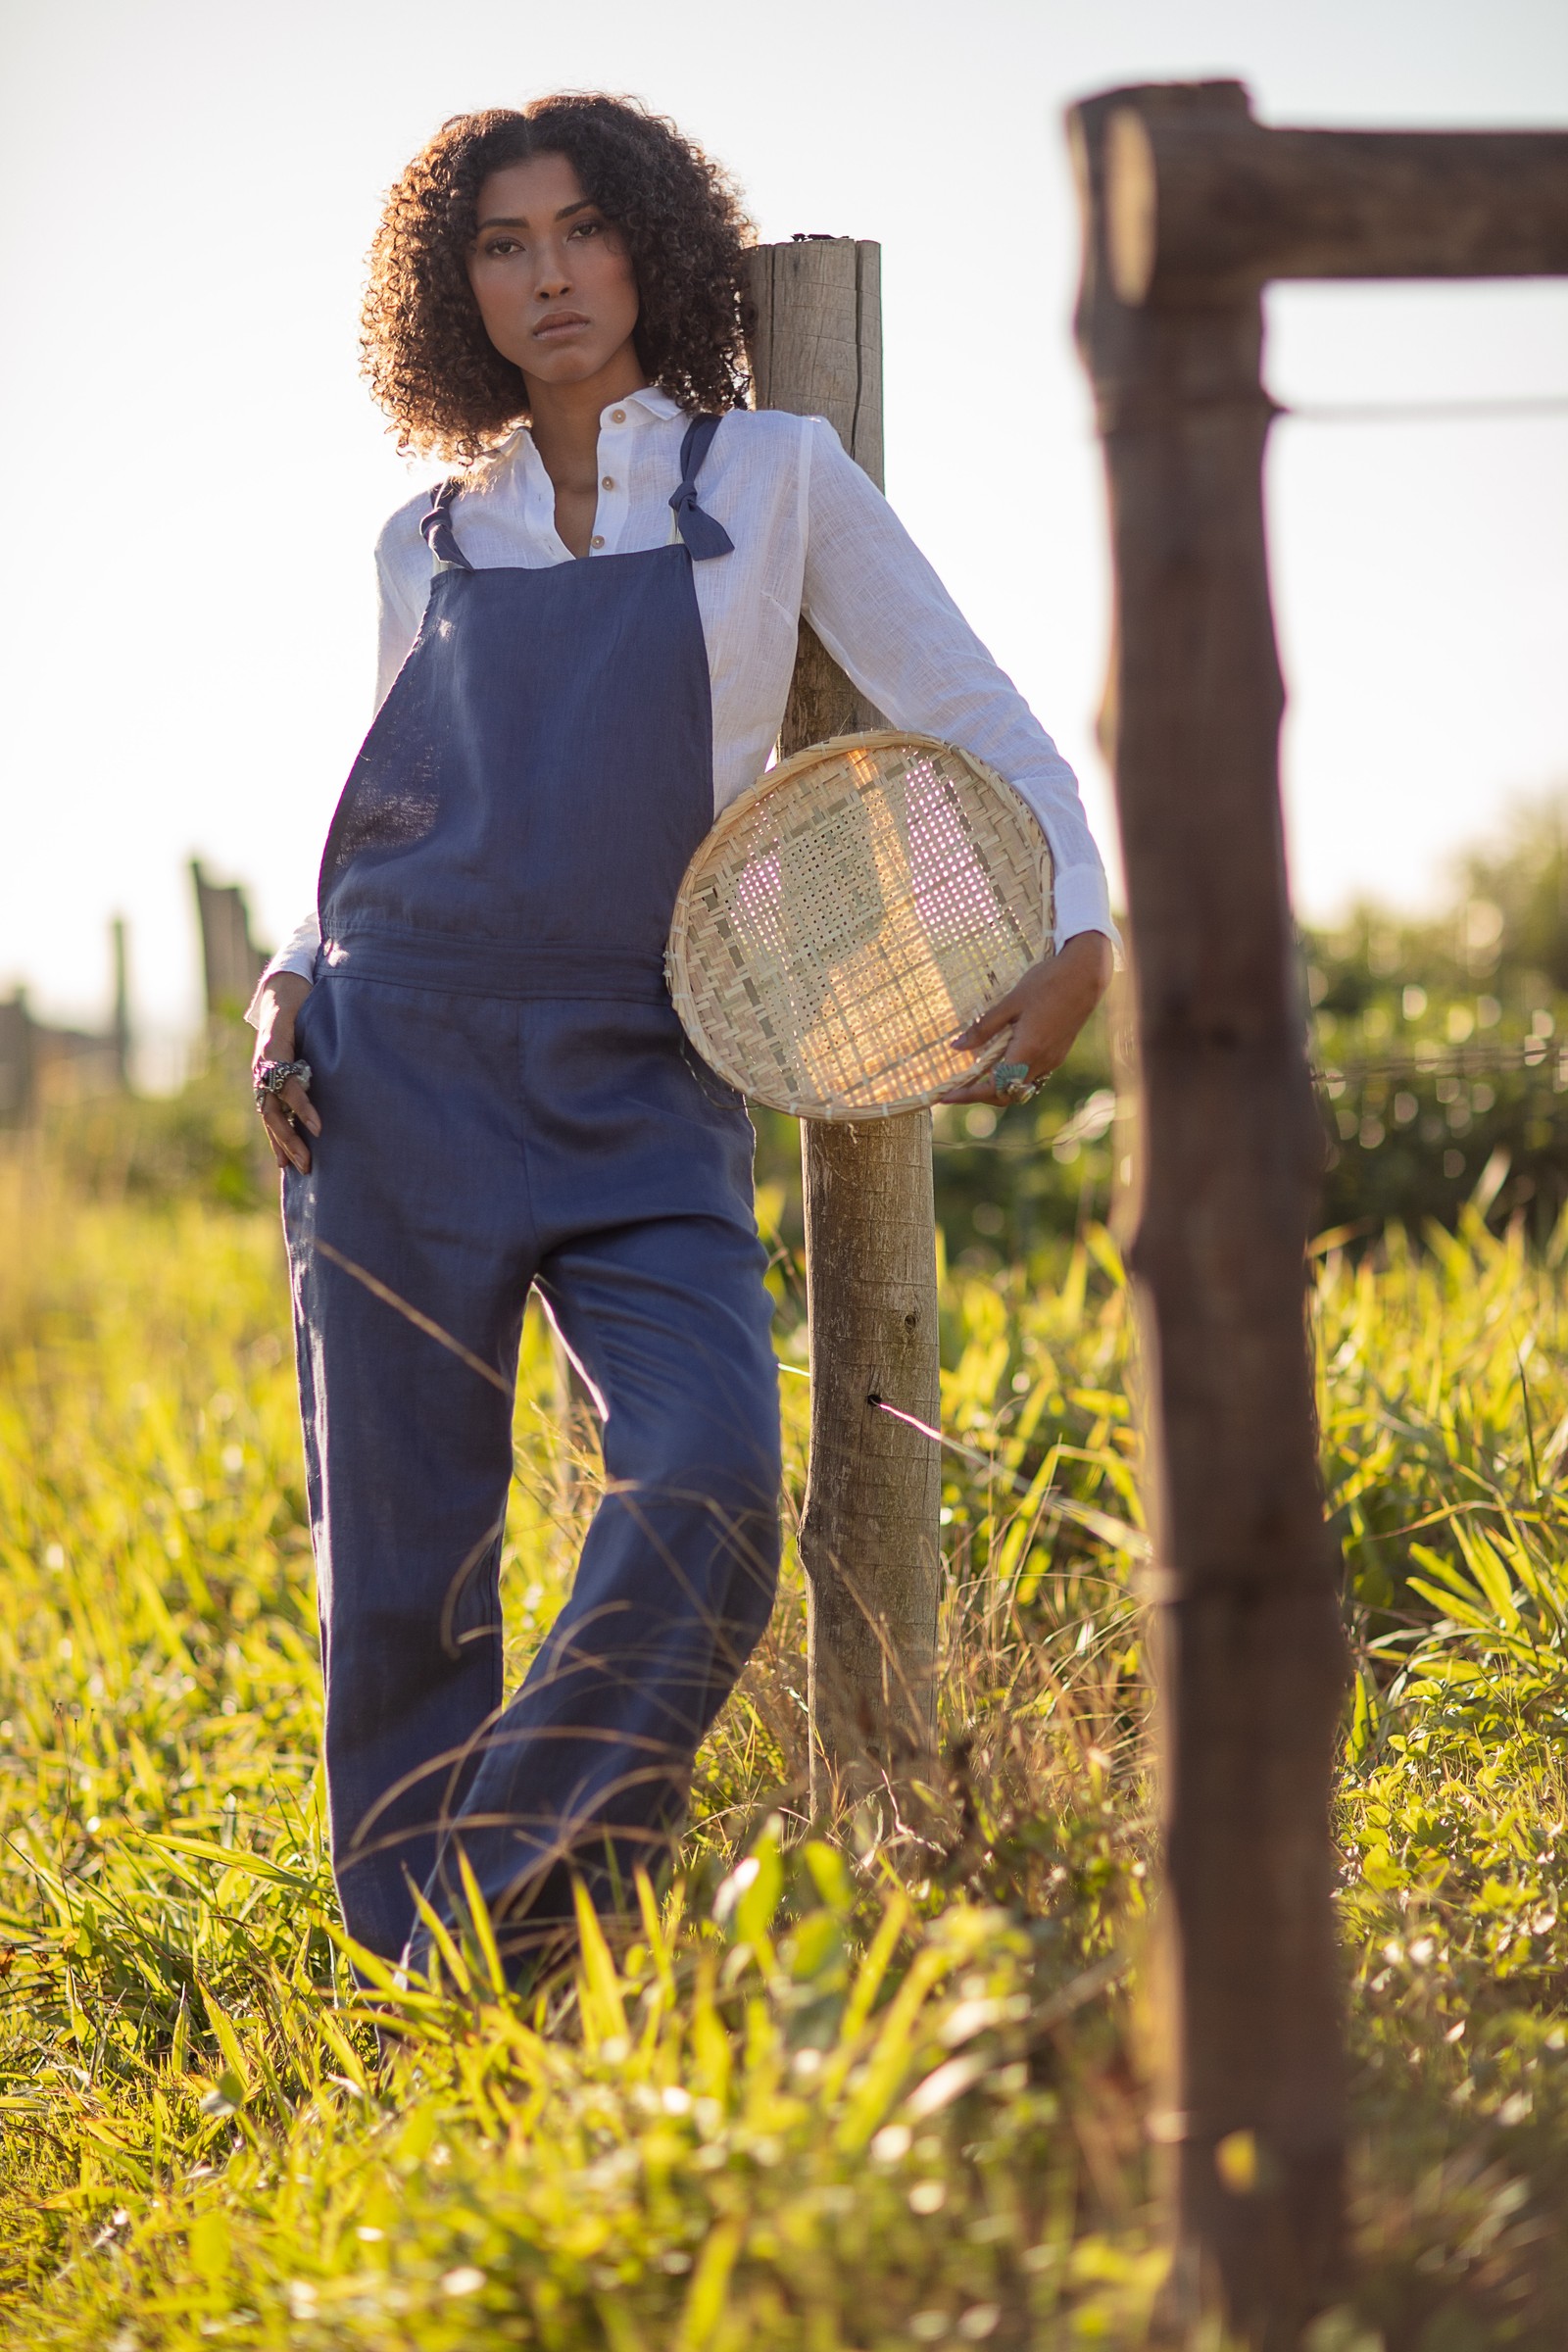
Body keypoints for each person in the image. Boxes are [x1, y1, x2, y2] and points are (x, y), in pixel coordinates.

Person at [249, 94, 1115, 1980]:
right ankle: (498, 1971)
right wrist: (281, 986)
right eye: (502, 244)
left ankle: (484, 1879)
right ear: (452, 286)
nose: (548, 275)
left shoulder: (780, 473)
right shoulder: (425, 540)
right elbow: (362, 826)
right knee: (405, 1568)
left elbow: (981, 717)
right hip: (390, 1073)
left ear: (650, 241)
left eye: (580, 230)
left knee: (714, 1478)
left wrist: (1080, 920)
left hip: (645, 1075)